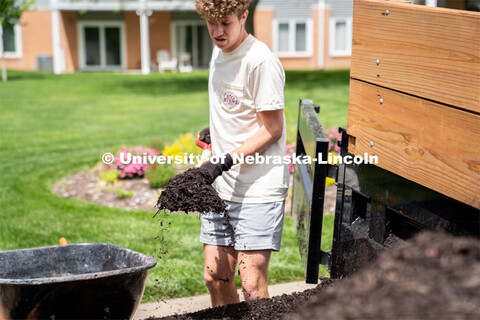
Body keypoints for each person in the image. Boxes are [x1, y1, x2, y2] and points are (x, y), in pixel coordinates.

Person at [195, 0, 289, 307]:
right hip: (223, 186)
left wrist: (223, 160)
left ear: (244, 16)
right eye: (212, 22)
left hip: (258, 188)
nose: (218, 32)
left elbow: (272, 128)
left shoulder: (260, 61)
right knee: (215, 276)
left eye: (227, 23)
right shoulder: (219, 51)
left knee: (251, 284)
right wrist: (216, 132)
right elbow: (237, 107)